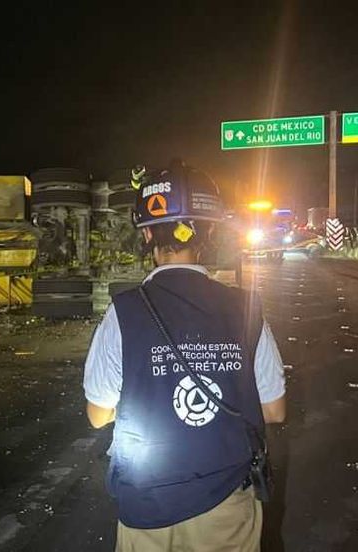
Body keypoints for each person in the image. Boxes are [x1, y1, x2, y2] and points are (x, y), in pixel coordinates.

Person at [83, 160, 287, 552]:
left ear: (145, 235)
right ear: (208, 231)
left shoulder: (123, 312)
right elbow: (274, 409)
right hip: (225, 501)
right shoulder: (246, 308)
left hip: (147, 507)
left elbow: (97, 414)